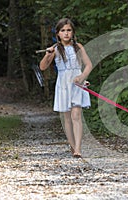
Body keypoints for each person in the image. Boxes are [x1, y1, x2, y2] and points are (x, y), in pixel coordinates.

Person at [40, 18, 92, 158]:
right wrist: (47, 55)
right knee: (67, 117)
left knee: (76, 115)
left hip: (77, 83)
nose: (66, 33)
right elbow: (43, 67)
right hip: (63, 84)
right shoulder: (55, 49)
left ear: (73, 32)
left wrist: (82, 77)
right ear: (58, 34)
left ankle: (78, 149)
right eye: (63, 31)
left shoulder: (78, 47)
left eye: (69, 30)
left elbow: (88, 65)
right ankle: (72, 144)